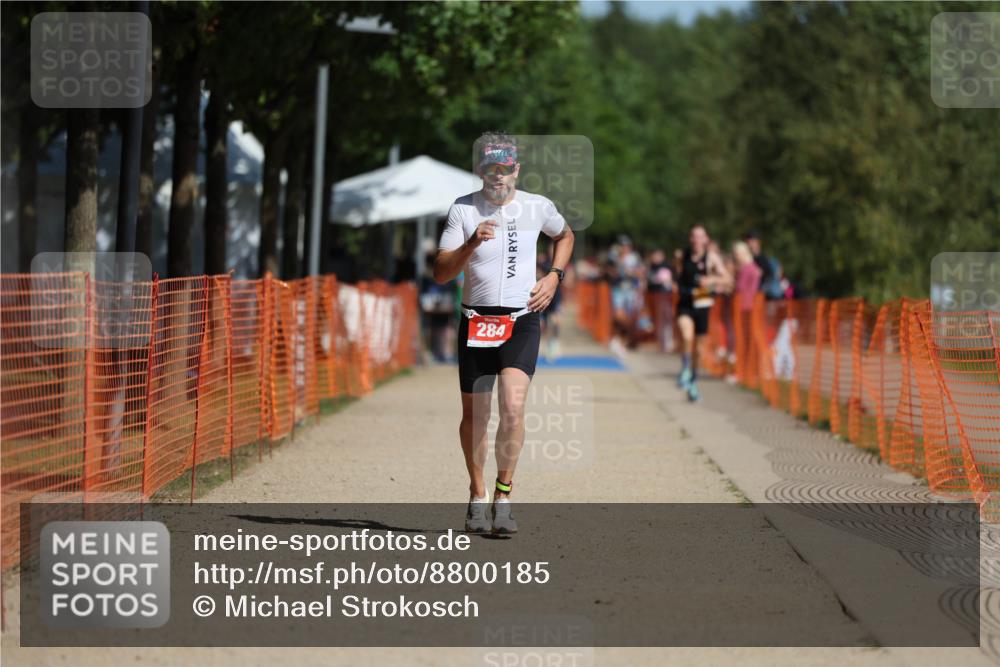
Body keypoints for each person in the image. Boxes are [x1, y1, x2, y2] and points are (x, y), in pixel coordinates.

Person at [434, 132, 574, 534]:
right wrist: (470, 245)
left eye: (506, 169)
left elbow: (565, 236)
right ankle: (477, 495)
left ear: (517, 170)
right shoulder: (463, 210)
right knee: (476, 417)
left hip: (521, 318)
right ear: (481, 171)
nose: (499, 177)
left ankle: (503, 496)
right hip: (476, 320)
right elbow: (442, 273)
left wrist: (554, 276)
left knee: (513, 407)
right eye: (491, 169)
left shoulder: (537, 206)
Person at [675, 225, 731, 402]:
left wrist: (711, 280)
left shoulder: (711, 258)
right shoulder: (682, 256)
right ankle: (684, 368)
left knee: (698, 350)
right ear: (690, 239)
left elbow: (728, 278)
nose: (696, 240)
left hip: (702, 303)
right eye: (693, 236)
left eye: (700, 237)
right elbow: (677, 276)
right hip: (685, 303)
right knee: (686, 335)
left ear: (706, 239)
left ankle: (693, 380)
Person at [731, 240, 762, 384]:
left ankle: (748, 371)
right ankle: (748, 370)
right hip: (745, 307)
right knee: (746, 339)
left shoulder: (749, 269)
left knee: (747, 340)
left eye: (737, 254)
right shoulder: (749, 268)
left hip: (746, 307)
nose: (736, 257)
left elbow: (741, 288)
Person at [536, 250, 563, 359]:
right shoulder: (543, 263)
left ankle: (554, 343)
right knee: (544, 324)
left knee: (556, 322)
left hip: (555, 297)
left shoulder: (559, 264)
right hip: (543, 296)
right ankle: (547, 345)